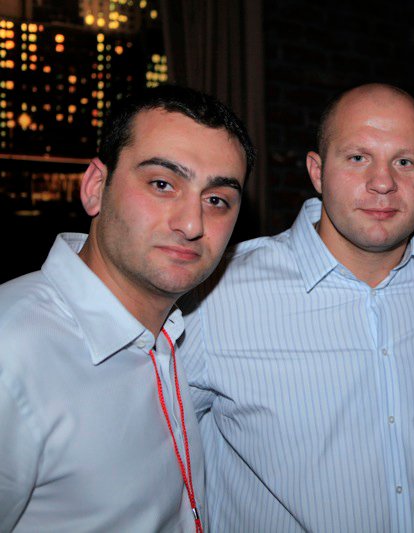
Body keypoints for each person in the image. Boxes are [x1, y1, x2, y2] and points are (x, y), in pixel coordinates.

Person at [180, 82, 414, 532]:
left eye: (405, 161)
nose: (383, 182)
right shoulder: (217, 295)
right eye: (358, 157)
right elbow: (149, 461)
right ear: (317, 170)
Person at [0, 84, 255, 532]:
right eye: (162, 184)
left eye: (217, 200)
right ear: (96, 187)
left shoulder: (171, 335)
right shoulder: (13, 349)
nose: (192, 224)